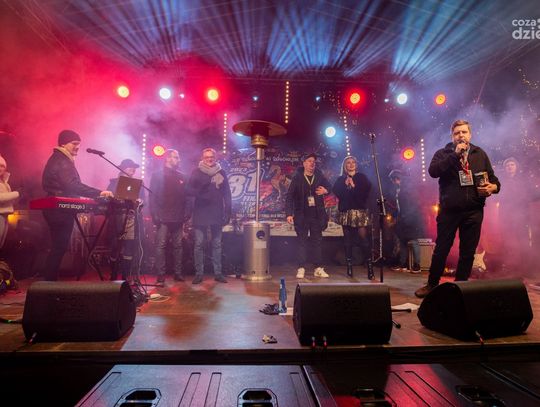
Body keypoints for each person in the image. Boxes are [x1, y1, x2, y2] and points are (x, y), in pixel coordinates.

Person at [415, 120, 500, 298]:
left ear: (470, 134)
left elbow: (494, 180)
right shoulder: (443, 153)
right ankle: (432, 285)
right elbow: (433, 171)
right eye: (457, 133)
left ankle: (459, 287)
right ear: (452, 136)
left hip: (474, 210)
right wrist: (455, 155)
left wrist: (493, 187)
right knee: (442, 249)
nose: (461, 135)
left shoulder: (479, 154)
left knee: (468, 252)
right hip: (449, 211)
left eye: (464, 132)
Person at [42, 130, 113, 281]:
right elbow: (72, 185)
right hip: (59, 209)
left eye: (79, 144)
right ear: (63, 143)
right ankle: (48, 283)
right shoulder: (62, 161)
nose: (77, 147)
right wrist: (99, 193)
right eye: (74, 143)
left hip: (56, 208)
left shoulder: (58, 159)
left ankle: (49, 282)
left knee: (58, 247)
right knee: (59, 247)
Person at [188, 148, 231, 284]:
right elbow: (188, 190)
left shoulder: (221, 172)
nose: (209, 159)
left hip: (216, 212)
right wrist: (200, 191)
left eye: (211, 156)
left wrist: (228, 212)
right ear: (203, 158)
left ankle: (218, 273)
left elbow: (227, 194)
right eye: (207, 157)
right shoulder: (196, 172)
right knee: (199, 243)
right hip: (200, 212)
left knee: (217, 244)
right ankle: (199, 274)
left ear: (215, 158)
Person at [286, 153, 331, 279]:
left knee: (317, 241)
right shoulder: (297, 177)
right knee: (302, 241)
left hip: (317, 214)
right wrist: (289, 213)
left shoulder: (319, 176)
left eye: (314, 161)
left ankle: (318, 268)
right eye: (309, 161)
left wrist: (326, 190)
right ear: (304, 163)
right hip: (301, 214)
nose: (312, 163)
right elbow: (289, 196)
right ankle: (301, 267)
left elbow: (330, 187)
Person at [149, 149, 189, 285]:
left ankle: (178, 273)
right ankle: (161, 275)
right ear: (167, 158)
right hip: (163, 216)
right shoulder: (157, 175)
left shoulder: (182, 176)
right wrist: (154, 214)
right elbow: (152, 196)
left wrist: (187, 213)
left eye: (178, 157)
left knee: (178, 246)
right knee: (161, 245)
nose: (178, 159)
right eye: (176, 157)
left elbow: (188, 197)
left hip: (178, 216)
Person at [332, 155, 373, 278]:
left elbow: (365, 193)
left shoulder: (362, 177)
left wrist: (354, 186)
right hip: (346, 212)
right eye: (348, 163)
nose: (351, 164)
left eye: (353, 162)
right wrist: (345, 186)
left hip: (359, 211)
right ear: (345, 166)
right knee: (347, 240)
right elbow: (337, 193)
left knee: (363, 239)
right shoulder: (340, 179)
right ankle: (349, 266)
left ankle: (369, 266)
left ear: (356, 164)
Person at [106, 158, 142, 281]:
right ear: (122, 168)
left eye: (134, 167)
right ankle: (113, 274)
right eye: (130, 166)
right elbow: (107, 199)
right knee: (115, 246)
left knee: (129, 247)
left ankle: (125, 276)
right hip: (116, 217)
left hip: (131, 218)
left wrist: (140, 202)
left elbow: (143, 200)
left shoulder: (137, 184)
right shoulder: (113, 183)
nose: (133, 169)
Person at [388, 169, 423, 273]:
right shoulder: (399, 189)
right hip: (403, 218)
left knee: (414, 241)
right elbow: (399, 206)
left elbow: (411, 204)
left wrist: (406, 216)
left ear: (396, 178)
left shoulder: (407, 188)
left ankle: (417, 265)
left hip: (411, 218)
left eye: (393, 180)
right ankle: (403, 264)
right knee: (403, 241)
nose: (392, 182)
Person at [0, 155, 20, 250]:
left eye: (2, 166)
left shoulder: (5, 183)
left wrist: (19, 197)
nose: (0, 168)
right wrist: (17, 193)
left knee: (1, 243)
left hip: (4, 215)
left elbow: (9, 200)